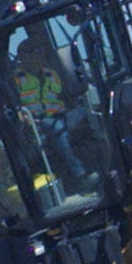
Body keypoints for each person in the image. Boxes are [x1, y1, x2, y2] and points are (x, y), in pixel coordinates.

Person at [13, 37, 87, 183]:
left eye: (41, 51)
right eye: (36, 51)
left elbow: (65, 97)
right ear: (23, 57)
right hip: (38, 122)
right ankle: (81, 176)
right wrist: (23, 117)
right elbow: (14, 108)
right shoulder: (16, 79)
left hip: (63, 116)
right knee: (59, 130)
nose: (40, 54)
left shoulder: (51, 74)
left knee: (89, 114)